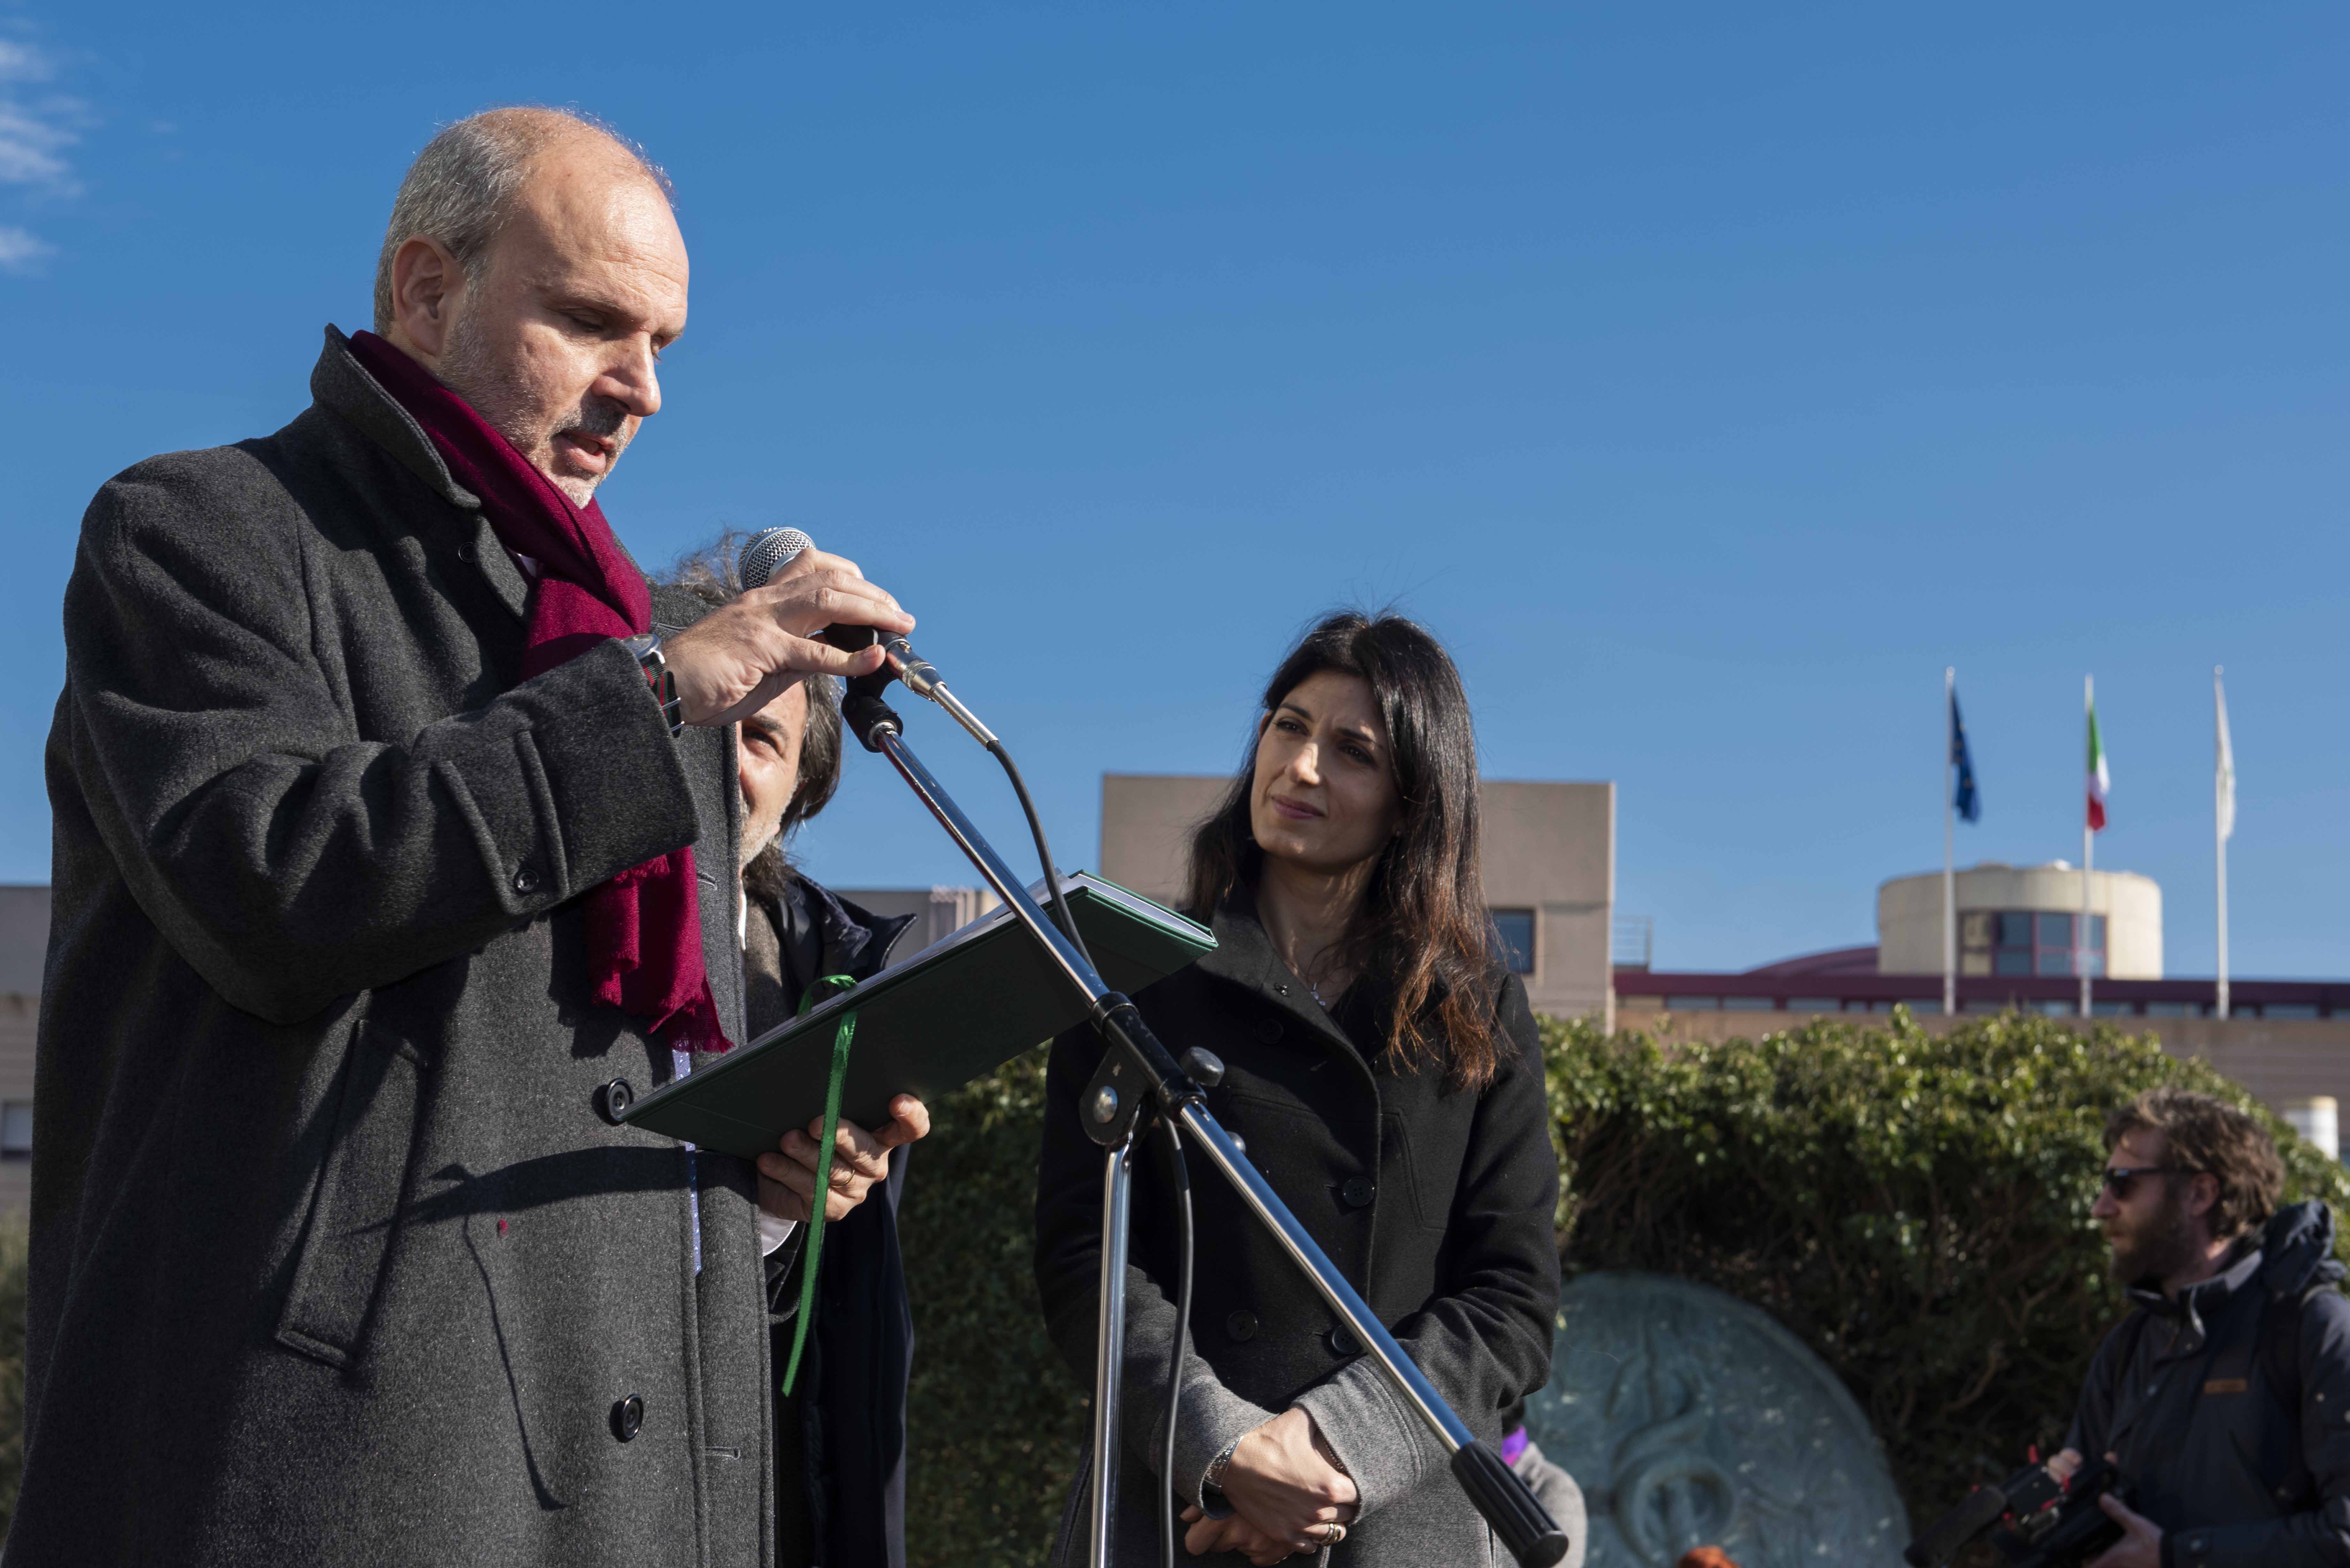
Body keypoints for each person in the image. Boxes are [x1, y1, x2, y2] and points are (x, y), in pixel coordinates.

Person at [23, 108, 923, 1564]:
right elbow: (276, 881)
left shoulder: (626, 652)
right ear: (426, 290)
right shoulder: (200, 530)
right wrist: (658, 693)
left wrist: (758, 1196)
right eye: (588, 322)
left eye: (665, 344)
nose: (638, 390)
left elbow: (596, 1113)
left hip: (627, 1506)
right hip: (326, 1484)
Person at [1034, 611, 1578, 1567]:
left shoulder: (1477, 1005)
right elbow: (1089, 1258)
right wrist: (1228, 1450)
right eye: (1288, 726)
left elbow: (1512, 1298)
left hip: (1403, 1518)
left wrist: (1329, 1450)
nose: (1303, 767)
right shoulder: (1131, 975)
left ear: (1413, 802)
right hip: (1176, 1512)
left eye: (1352, 751)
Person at [671, 535, 925, 1568]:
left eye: (766, 740)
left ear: (798, 795)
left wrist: (798, 1208)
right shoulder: (538, 932)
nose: (730, 761)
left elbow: (823, 1343)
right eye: (714, 718)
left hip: (764, 1490)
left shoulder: (833, 969)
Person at [2049, 1088, 2350, 1568]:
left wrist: (2178, 1556)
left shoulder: (2314, 1328)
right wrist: (2059, 1508)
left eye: (2122, 1183)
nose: (2101, 1207)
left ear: (2201, 1194)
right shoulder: (2129, 1346)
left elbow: (2345, 1535)